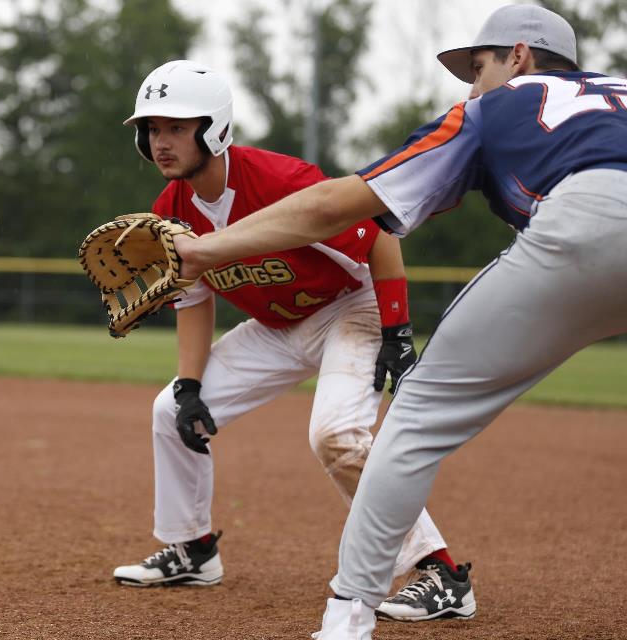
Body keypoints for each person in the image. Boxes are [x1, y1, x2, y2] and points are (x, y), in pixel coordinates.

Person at [170, 5, 627, 639]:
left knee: (411, 419)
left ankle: (348, 618)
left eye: (478, 66)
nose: (470, 85)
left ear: (518, 56)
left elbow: (340, 204)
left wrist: (205, 249)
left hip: (591, 222)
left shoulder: (497, 106)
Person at [110, 59, 476, 622]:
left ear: (215, 128)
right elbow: (194, 300)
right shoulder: (171, 214)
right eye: (153, 129)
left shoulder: (280, 181)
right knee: (168, 412)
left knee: (336, 435)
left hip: (350, 310)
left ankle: (442, 573)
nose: (161, 141)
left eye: (177, 127)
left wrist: (399, 334)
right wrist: (188, 384)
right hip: (278, 330)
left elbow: (377, 237)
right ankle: (193, 548)